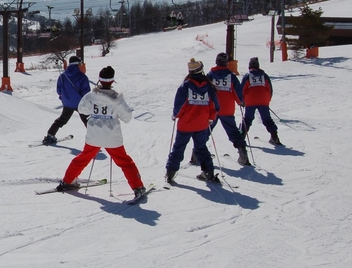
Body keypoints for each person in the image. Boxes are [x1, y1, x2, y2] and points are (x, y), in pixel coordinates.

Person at [56, 66, 146, 197]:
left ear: (99, 80)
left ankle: (67, 181)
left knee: (82, 158)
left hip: (94, 135)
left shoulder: (91, 96)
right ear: (112, 81)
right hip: (112, 137)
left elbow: (82, 109)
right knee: (125, 162)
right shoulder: (117, 100)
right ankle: (138, 187)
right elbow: (127, 118)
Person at [166, 58, 220, 184]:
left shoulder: (185, 86)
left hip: (186, 124)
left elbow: (179, 105)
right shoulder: (209, 87)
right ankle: (209, 172)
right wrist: (211, 118)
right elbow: (214, 106)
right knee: (201, 148)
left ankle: (170, 172)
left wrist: (175, 116)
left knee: (178, 148)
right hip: (202, 124)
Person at [207, 52, 250, 166]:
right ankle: (243, 154)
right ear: (226, 63)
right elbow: (237, 91)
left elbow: (205, 90)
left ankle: (196, 156)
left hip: (213, 109)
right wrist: (241, 102)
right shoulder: (231, 76)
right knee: (233, 132)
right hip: (227, 108)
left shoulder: (211, 74)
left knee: (205, 131)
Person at [42, 55, 90, 145]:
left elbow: (59, 90)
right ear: (78, 64)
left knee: (62, 120)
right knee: (88, 120)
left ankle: (50, 135)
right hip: (80, 103)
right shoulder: (82, 77)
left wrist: (63, 98)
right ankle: (94, 138)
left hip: (67, 103)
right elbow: (86, 92)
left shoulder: (63, 76)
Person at [241, 57, 282, 146]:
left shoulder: (247, 76)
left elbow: (242, 89)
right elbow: (270, 89)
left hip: (250, 101)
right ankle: (274, 137)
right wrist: (267, 100)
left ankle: (242, 137)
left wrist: (242, 101)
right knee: (267, 119)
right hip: (263, 101)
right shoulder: (264, 75)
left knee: (247, 119)